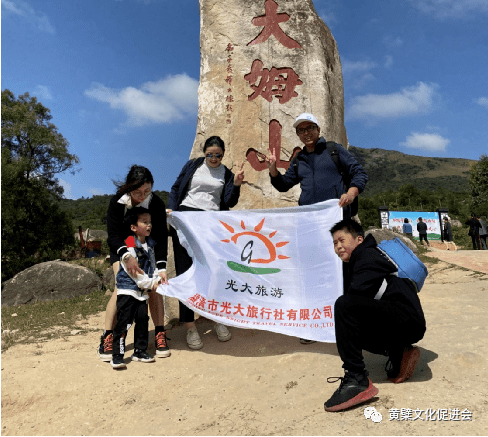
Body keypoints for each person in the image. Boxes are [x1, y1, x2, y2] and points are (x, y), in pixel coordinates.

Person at [265, 113, 368, 346]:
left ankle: (346, 321)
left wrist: (351, 193)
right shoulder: (299, 159)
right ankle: (314, 323)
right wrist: (272, 170)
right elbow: (283, 185)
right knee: (312, 272)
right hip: (310, 226)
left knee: (342, 272)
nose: (306, 133)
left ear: (318, 129)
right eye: (301, 130)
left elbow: (359, 173)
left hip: (337, 223)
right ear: (298, 135)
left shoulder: (334, 150)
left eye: (310, 128)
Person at [324, 219, 426, 412]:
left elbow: (353, 302)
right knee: (349, 317)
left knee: (344, 308)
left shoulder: (366, 256)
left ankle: (357, 379)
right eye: (334, 244)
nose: (338, 247)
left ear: (359, 239)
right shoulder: (367, 257)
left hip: (406, 320)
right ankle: (400, 353)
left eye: (342, 240)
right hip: (405, 321)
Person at [167, 136, 245, 350]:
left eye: (218, 155)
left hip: (210, 224)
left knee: (212, 272)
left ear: (223, 154)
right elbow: (176, 189)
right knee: (186, 273)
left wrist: (236, 184)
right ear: (204, 153)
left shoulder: (226, 173)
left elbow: (229, 201)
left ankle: (216, 317)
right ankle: (190, 326)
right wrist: (171, 209)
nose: (213, 158)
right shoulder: (192, 166)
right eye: (209, 154)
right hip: (186, 220)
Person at [98, 165, 170, 362]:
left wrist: (161, 268)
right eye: (137, 192)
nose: (141, 196)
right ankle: (108, 336)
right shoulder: (117, 202)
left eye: (146, 191)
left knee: (155, 287)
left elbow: (162, 237)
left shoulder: (155, 203)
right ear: (129, 187)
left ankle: (159, 334)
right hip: (122, 248)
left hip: (147, 248)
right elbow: (112, 235)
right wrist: (126, 256)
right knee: (121, 287)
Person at [111, 207, 164, 369]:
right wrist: (151, 284)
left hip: (142, 294)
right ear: (133, 227)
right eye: (145, 222)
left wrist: (157, 278)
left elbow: (152, 266)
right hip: (128, 291)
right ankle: (117, 355)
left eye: (150, 222)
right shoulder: (129, 244)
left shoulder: (150, 244)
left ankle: (139, 351)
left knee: (142, 320)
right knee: (124, 323)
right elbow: (134, 272)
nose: (149, 225)